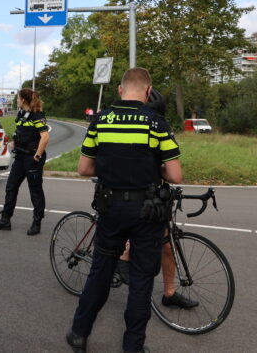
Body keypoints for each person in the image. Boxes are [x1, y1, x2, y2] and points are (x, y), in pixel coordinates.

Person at [66, 68, 182, 353]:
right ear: (148, 90)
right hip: (148, 212)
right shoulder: (157, 123)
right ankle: (133, 346)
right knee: (142, 281)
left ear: (120, 89)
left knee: (100, 273)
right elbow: (176, 176)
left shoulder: (99, 121)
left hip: (111, 208)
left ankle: (79, 334)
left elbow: (84, 168)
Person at [115, 88, 198, 309]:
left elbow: (168, 166)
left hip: (154, 195)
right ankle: (123, 257)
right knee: (139, 232)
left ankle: (169, 293)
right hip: (130, 196)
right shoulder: (130, 129)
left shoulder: (157, 127)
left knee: (167, 244)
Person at [0, 88, 50, 235]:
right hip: (21, 158)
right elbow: (25, 134)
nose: (17, 100)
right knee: (11, 186)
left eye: (18, 98)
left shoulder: (37, 115)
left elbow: (45, 137)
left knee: (35, 191)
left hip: (32, 159)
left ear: (23, 100)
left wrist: (37, 155)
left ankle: (37, 222)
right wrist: (15, 144)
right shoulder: (23, 114)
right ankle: (5, 220)